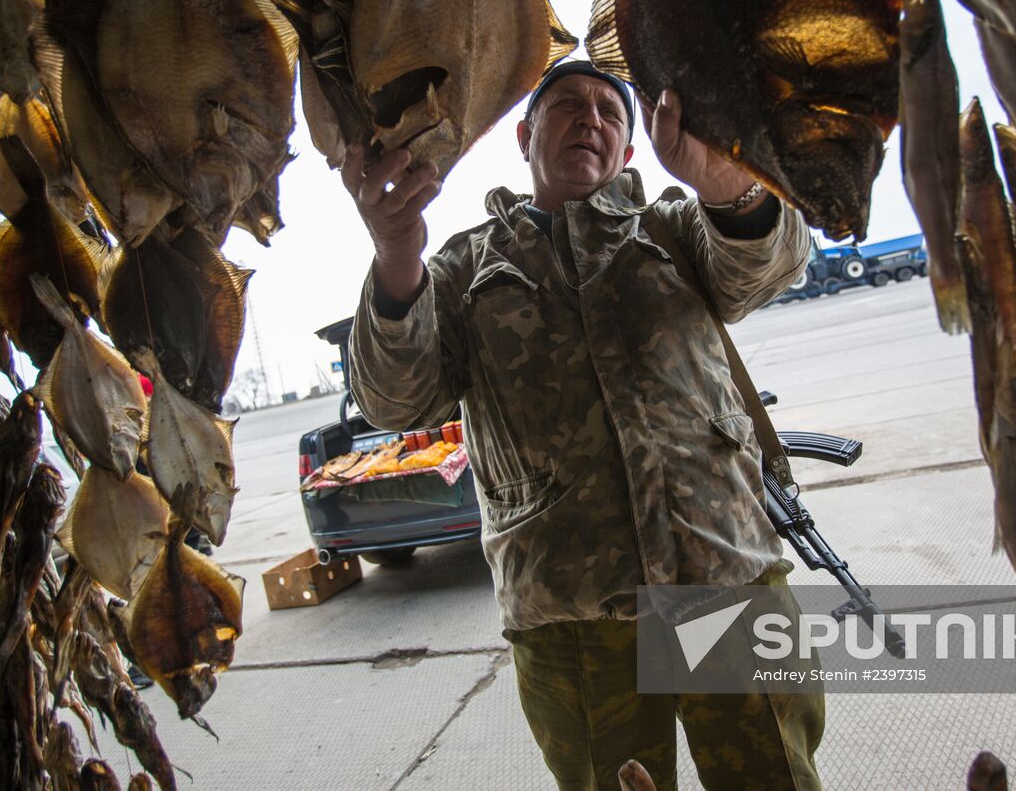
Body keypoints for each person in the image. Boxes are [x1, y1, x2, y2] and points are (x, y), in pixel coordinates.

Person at [343, 61, 823, 789]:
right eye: (569, 105)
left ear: (631, 150)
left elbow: (767, 264)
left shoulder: (674, 225)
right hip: (571, 610)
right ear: (526, 134)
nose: (591, 118)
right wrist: (396, 254)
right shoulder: (463, 267)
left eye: (610, 110)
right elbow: (394, 399)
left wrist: (723, 181)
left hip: (724, 574)